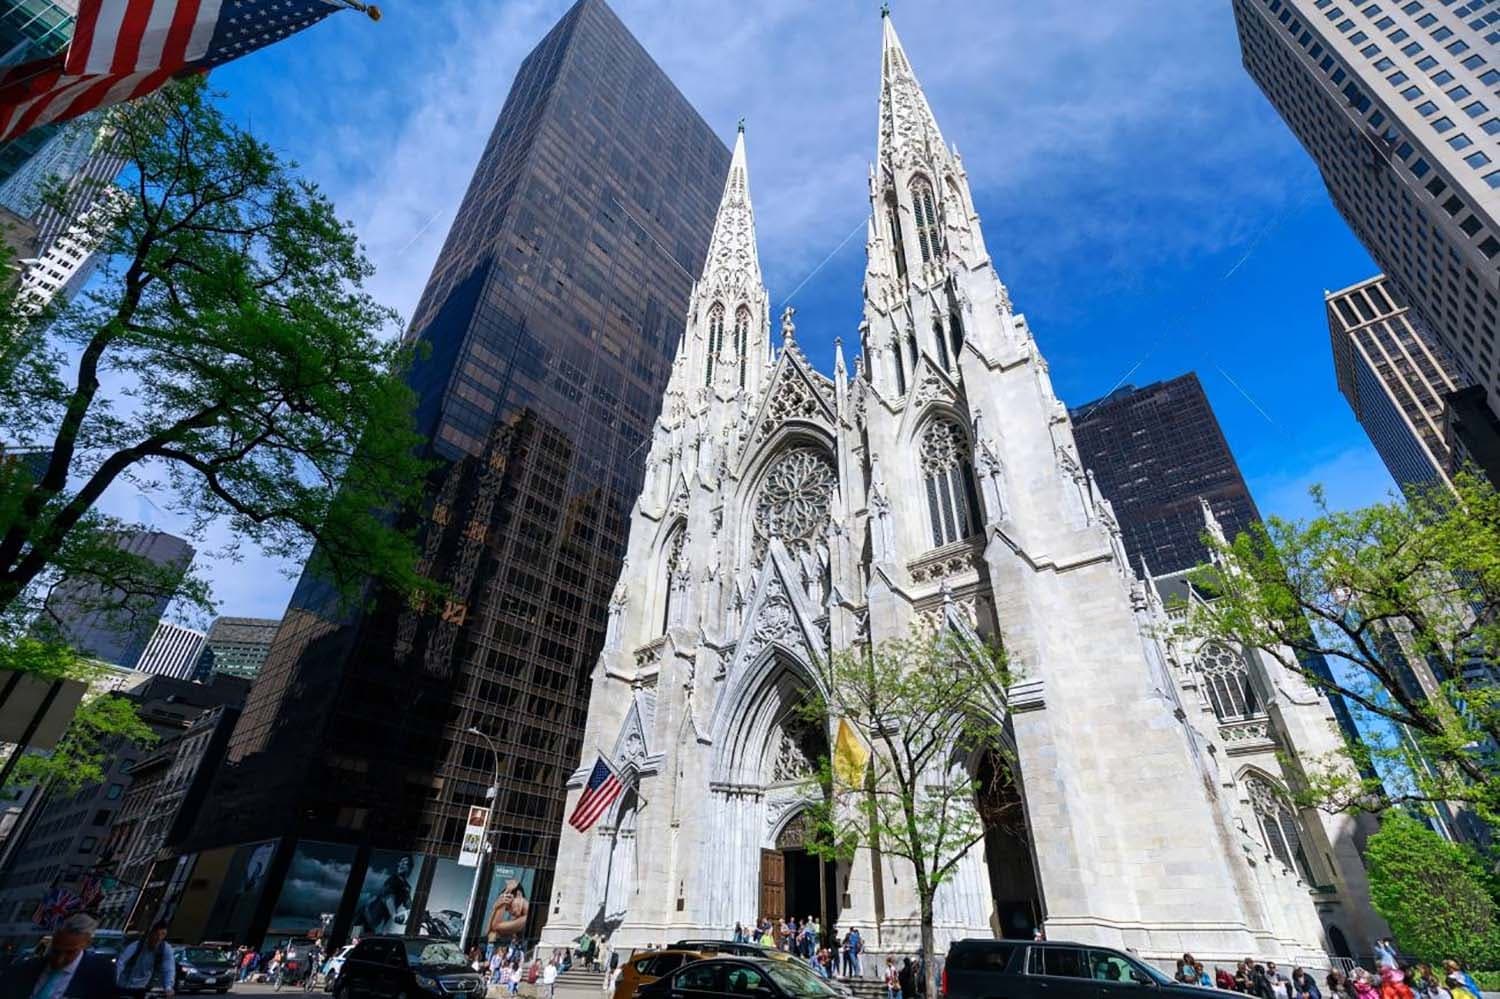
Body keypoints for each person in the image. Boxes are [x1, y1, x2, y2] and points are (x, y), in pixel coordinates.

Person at [0, 914, 115, 999]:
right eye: (56, 950)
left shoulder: (101, 973)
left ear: (87, 943)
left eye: (70, 952)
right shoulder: (24, 968)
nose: (59, 960)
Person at [116, 920, 176, 999]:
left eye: (163, 934)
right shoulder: (137, 945)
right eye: (157, 934)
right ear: (151, 934)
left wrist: (168, 987)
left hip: (144, 987)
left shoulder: (165, 949)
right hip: (125, 984)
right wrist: (114, 980)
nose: (159, 938)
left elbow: (169, 969)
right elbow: (121, 963)